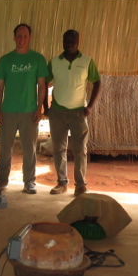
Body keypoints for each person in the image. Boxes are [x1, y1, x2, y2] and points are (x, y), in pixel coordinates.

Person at [44, 30, 102, 197]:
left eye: (73, 41)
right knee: (59, 149)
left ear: (78, 41)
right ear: (62, 41)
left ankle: (80, 185)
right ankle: (62, 183)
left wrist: (90, 106)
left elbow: (97, 81)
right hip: (58, 112)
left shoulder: (86, 61)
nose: (69, 43)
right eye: (66, 41)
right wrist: (45, 107)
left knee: (80, 150)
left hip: (78, 112)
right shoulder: (55, 62)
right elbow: (44, 82)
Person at [0, 24, 48, 194]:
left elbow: (41, 86)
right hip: (8, 110)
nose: (22, 39)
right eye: (19, 36)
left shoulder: (38, 59)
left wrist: (39, 108)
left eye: (25, 36)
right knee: (5, 148)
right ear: (14, 37)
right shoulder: (5, 60)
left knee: (29, 148)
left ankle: (29, 182)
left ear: (30, 37)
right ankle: (2, 180)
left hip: (29, 111)